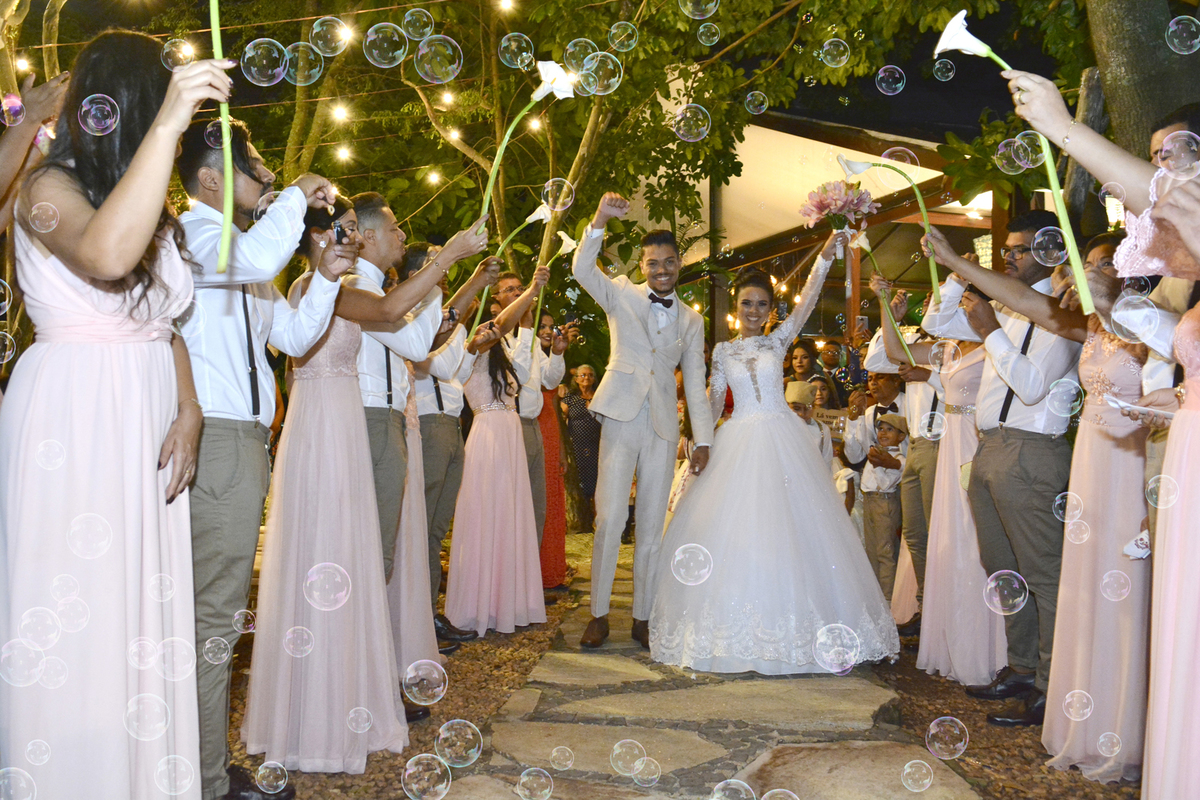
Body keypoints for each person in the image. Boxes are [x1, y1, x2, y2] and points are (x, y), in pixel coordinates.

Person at [0, 32, 227, 800]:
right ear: (127, 103)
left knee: (136, 615)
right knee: (75, 611)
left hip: (147, 413)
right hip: (73, 417)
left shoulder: (144, 198)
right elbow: (104, 258)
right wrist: (166, 126)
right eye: (157, 99)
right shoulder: (45, 185)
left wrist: (189, 407)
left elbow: (161, 322)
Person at [242, 199, 488, 772]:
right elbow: (396, 308)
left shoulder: (330, 290)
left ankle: (350, 689)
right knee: (345, 567)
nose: (353, 239)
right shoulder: (320, 288)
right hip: (325, 433)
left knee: (356, 564)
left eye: (356, 230)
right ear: (314, 239)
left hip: (346, 431)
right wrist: (450, 256)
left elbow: (408, 325)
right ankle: (330, 703)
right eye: (344, 231)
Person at [175, 116, 349, 799]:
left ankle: (200, 763)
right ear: (212, 179)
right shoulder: (195, 237)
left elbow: (294, 337)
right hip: (216, 440)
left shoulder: (241, 255)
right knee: (213, 619)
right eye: (256, 165)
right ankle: (206, 781)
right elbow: (253, 260)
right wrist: (294, 199)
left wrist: (328, 277)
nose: (270, 175)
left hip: (241, 444)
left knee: (211, 617)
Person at [649, 240, 899, 674]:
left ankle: (806, 630)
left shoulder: (779, 341)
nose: (754, 310)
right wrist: (699, 443)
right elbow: (712, 401)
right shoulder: (724, 351)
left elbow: (808, 301)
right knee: (738, 532)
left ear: (770, 310)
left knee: (795, 528)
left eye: (762, 304)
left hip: (782, 439)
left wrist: (826, 251)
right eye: (747, 303)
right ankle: (735, 631)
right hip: (737, 440)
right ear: (736, 306)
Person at [921, 208, 1085, 727]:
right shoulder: (1007, 308)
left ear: (1050, 252)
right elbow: (935, 324)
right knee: (1003, 567)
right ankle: (1020, 668)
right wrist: (954, 276)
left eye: (1018, 249)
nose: (1008, 256)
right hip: (989, 448)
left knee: (1043, 574)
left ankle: (1052, 683)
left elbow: (1034, 386)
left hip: (1032, 452)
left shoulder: (1064, 314)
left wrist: (991, 331)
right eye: (1006, 249)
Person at [571, 194, 716, 650]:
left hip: (662, 426)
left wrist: (704, 439)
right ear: (643, 264)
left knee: (653, 526)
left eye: (669, 262)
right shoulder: (620, 293)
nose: (662, 270)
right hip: (619, 415)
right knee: (611, 517)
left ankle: (643, 616)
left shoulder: (692, 321)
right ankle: (597, 614)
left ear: (679, 264)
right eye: (654, 262)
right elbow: (580, 269)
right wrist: (599, 219)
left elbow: (695, 385)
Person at [873, 277, 1007, 687]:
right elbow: (893, 352)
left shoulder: (994, 345)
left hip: (973, 443)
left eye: (967, 302)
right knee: (945, 542)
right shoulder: (950, 351)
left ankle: (985, 650)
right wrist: (886, 308)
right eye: (959, 302)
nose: (960, 308)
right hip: (947, 444)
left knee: (972, 543)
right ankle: (950, 640)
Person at [444, 266, 551, 636]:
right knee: (487, 517)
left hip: (509, 435)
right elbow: (503, 324)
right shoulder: (469, 346)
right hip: (488, 437)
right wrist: (532, 290)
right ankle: (479, 607)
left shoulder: (502, 352)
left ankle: (510, 603)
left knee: (511, 517)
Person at [346, 192, 446, 583]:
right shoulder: (358, 289)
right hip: (371, 417)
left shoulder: (376, 291)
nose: (403, 235)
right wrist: (439, 271)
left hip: (385, 418)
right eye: (394, 228)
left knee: (381, 542)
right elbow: (417, 345)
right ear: (368, 236)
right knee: (374, 545)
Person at [405, 243, 497, 643]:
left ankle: (427, 612)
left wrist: (470, 345)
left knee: (436, 530)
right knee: (420, 527)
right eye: (434, 263)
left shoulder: (438, 320)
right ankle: (417, 617)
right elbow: (437, 363)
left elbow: (456, 371)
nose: (443, 270)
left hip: (449, 424)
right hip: (426, 425)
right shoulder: (408, 317)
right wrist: (463, 324)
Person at [863, 303, 944, 632]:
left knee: (939, 531)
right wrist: (891, 319)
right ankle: (925, 605)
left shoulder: (955, 342)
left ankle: (940, 608)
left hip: (943, 439)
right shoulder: (914, 340)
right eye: (923, 302)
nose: (927, 305)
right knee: (914, 533)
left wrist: (929, 376)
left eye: (936, 300)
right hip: (917, 443)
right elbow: (876, 361)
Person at [493, 271, 570, 545]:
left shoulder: (533, 339)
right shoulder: (497, 336)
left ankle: (530, 575)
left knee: (537, 506)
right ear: (497, 299)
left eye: (520, 287)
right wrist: (526, 328)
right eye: (509, 290)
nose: (517, 292)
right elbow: (520, 375)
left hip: (534, 425)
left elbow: (548, 379)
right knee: (513, 505)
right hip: (510, 425)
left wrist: (558, 353)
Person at [536, 311, 571, 590]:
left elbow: (556, 409)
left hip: (550, 424)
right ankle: (536, 570)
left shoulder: (551, 360)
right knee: (537, 498)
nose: (548, 331)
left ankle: (552, 568)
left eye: (551, 326)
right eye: (542, 326)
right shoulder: (526, 353)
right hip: (532, 423)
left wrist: (561, 447)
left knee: (552, 496)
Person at [561, 364, 602, 518]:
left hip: (597, 445)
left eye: (590, 375)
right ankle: (582, 517)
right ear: (576, 379)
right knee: (580, 480)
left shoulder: (600, 396)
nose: (586, 378)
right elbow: (560, 419)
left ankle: (596, 517)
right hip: (576, 445)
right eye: (583, 375)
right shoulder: (570, 398)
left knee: (597, 480)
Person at [786, 380, 834, 466]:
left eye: (807, 408)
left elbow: (827, 463)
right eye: (796, 409)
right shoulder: (780, 428)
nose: (802, 413)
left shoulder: (822, 429)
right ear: (787, 407)